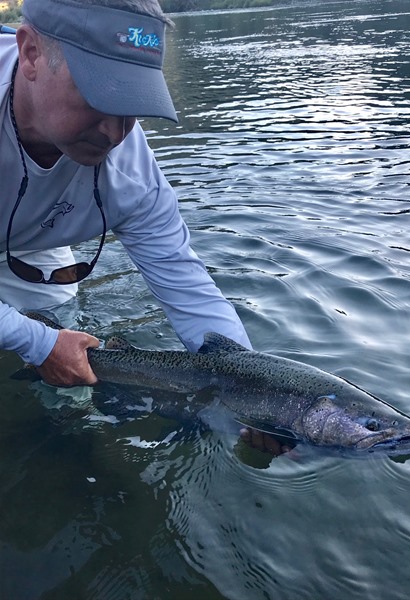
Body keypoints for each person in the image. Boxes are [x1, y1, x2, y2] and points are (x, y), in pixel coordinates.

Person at [0, 0, 287, 456]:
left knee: (61, 354)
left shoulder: (131, 171)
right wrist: (35, 342)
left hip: (30, 240)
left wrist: (248, 389)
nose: (115, 132)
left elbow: (186, 285)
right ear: (31, 53)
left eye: (131, 103)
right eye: (99, 95)